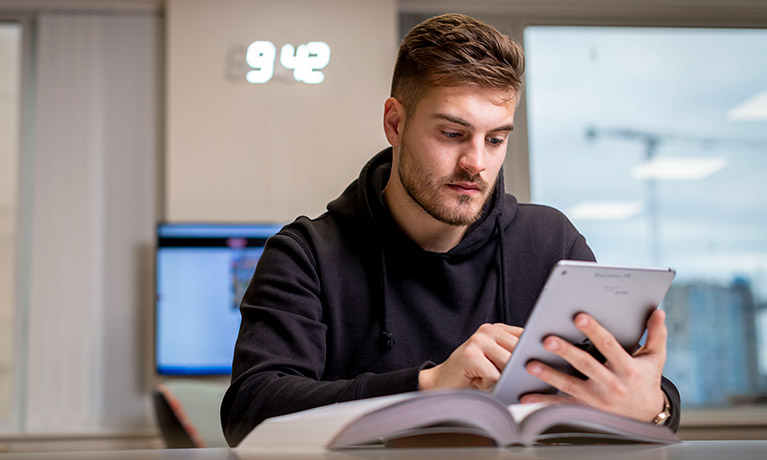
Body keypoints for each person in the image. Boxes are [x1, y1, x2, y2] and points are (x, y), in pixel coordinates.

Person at [220, 13, 680, 446]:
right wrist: (428, 385)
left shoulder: (551, 242)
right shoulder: (306, 255)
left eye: (496, 139)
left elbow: (625, 382)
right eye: (452, 134)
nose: (477, 163)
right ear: (394, 123)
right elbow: (250, 410)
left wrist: (652, 407)